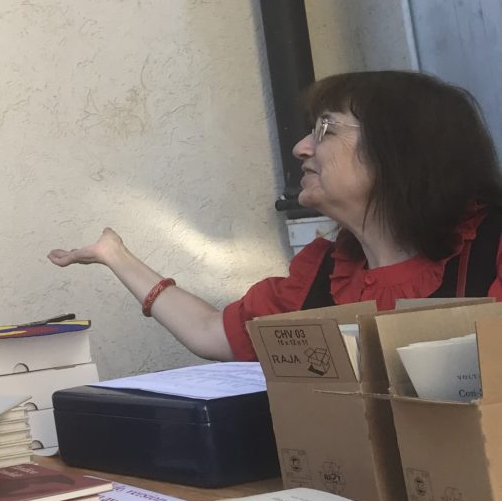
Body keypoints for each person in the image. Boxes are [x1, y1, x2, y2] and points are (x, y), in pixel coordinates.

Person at [49, 70, 502, 360]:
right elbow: (211, 333)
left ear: (397, 150)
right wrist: (117, 256)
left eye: (325, 128)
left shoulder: (493, 249)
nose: (301, 147)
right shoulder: (318, 276)